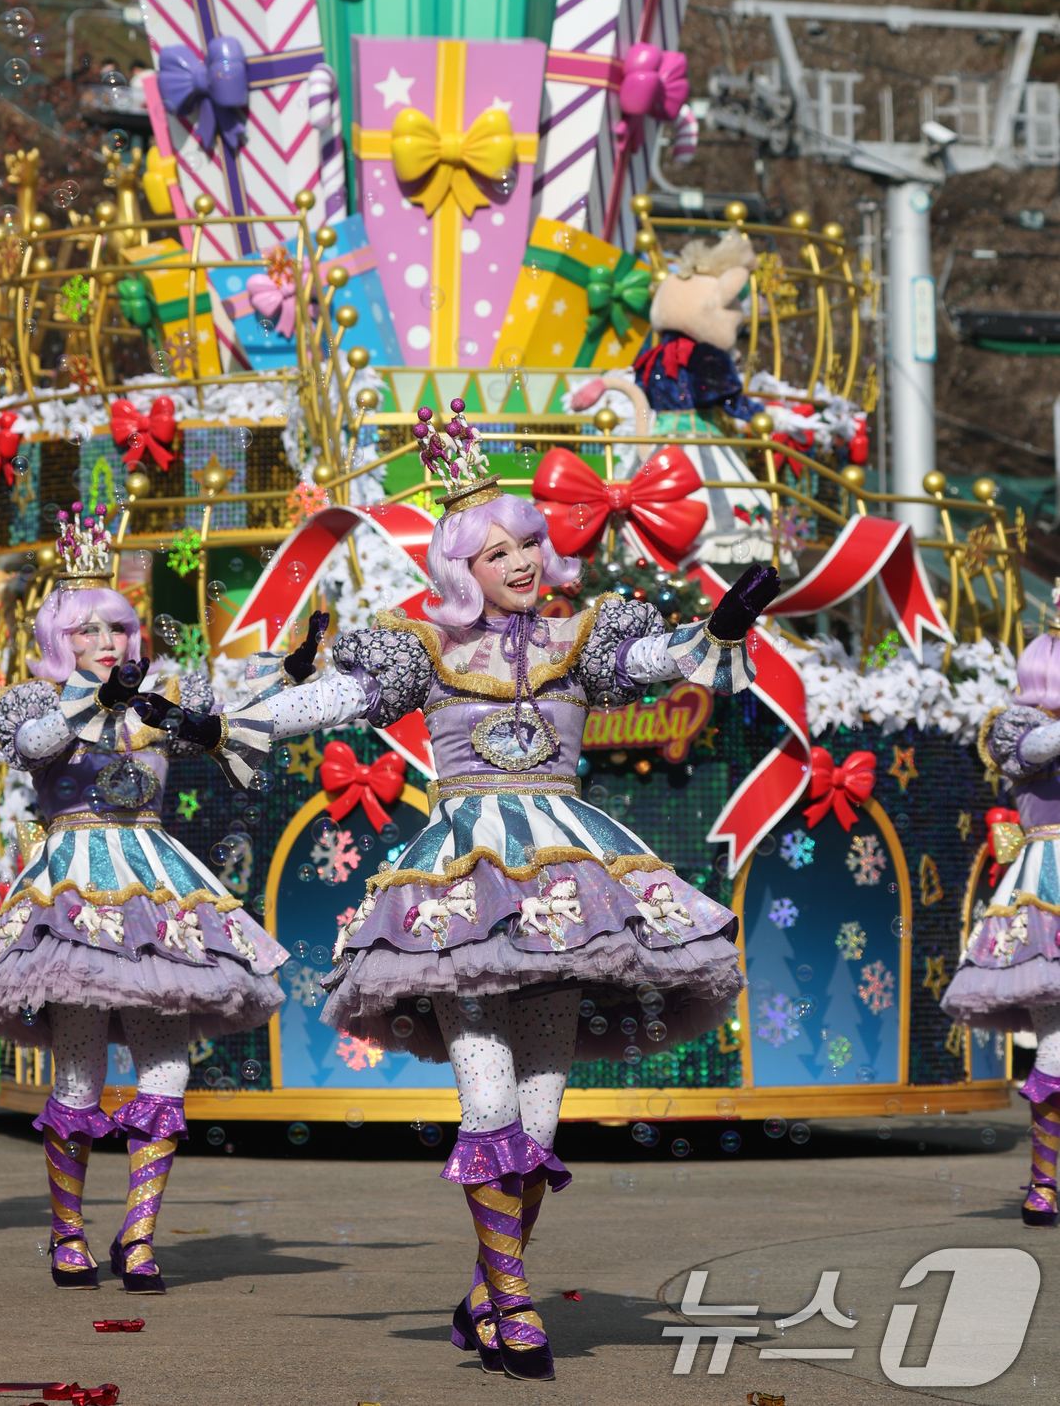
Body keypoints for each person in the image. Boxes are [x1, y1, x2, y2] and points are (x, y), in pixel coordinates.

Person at [133, 401, 777, 1382]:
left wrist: (717, 629)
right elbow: (335, 700)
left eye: (529, 542)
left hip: (568, 890)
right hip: (460, 893)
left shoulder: (582, 636)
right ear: (460, 568)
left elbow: (656, 663)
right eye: (496, 550)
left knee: (541, 1123)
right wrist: (226, 724)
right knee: (488, 1106)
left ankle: (485, 1293)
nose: (521, 560)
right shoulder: (422, 648)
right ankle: (512, 1304)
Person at [0, 504, 291, 1292]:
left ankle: (140, 1236)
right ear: (59, 640)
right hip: (74, 889)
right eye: (86, 630)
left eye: (117, 627)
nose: (106, 641)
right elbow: (35, 746)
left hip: (156, 884)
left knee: (166, 1067)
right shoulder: (34, 700)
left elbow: (239, 715)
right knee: (78, 1076)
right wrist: (98, 698)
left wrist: (292, 669)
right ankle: (67, 1234)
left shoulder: (160, 699)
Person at [943, 626, 1060, 1225]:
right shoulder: (1015, 726)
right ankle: (1045, 1183)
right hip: (1046, 887)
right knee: (1056, 1041)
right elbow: (1038, 749)